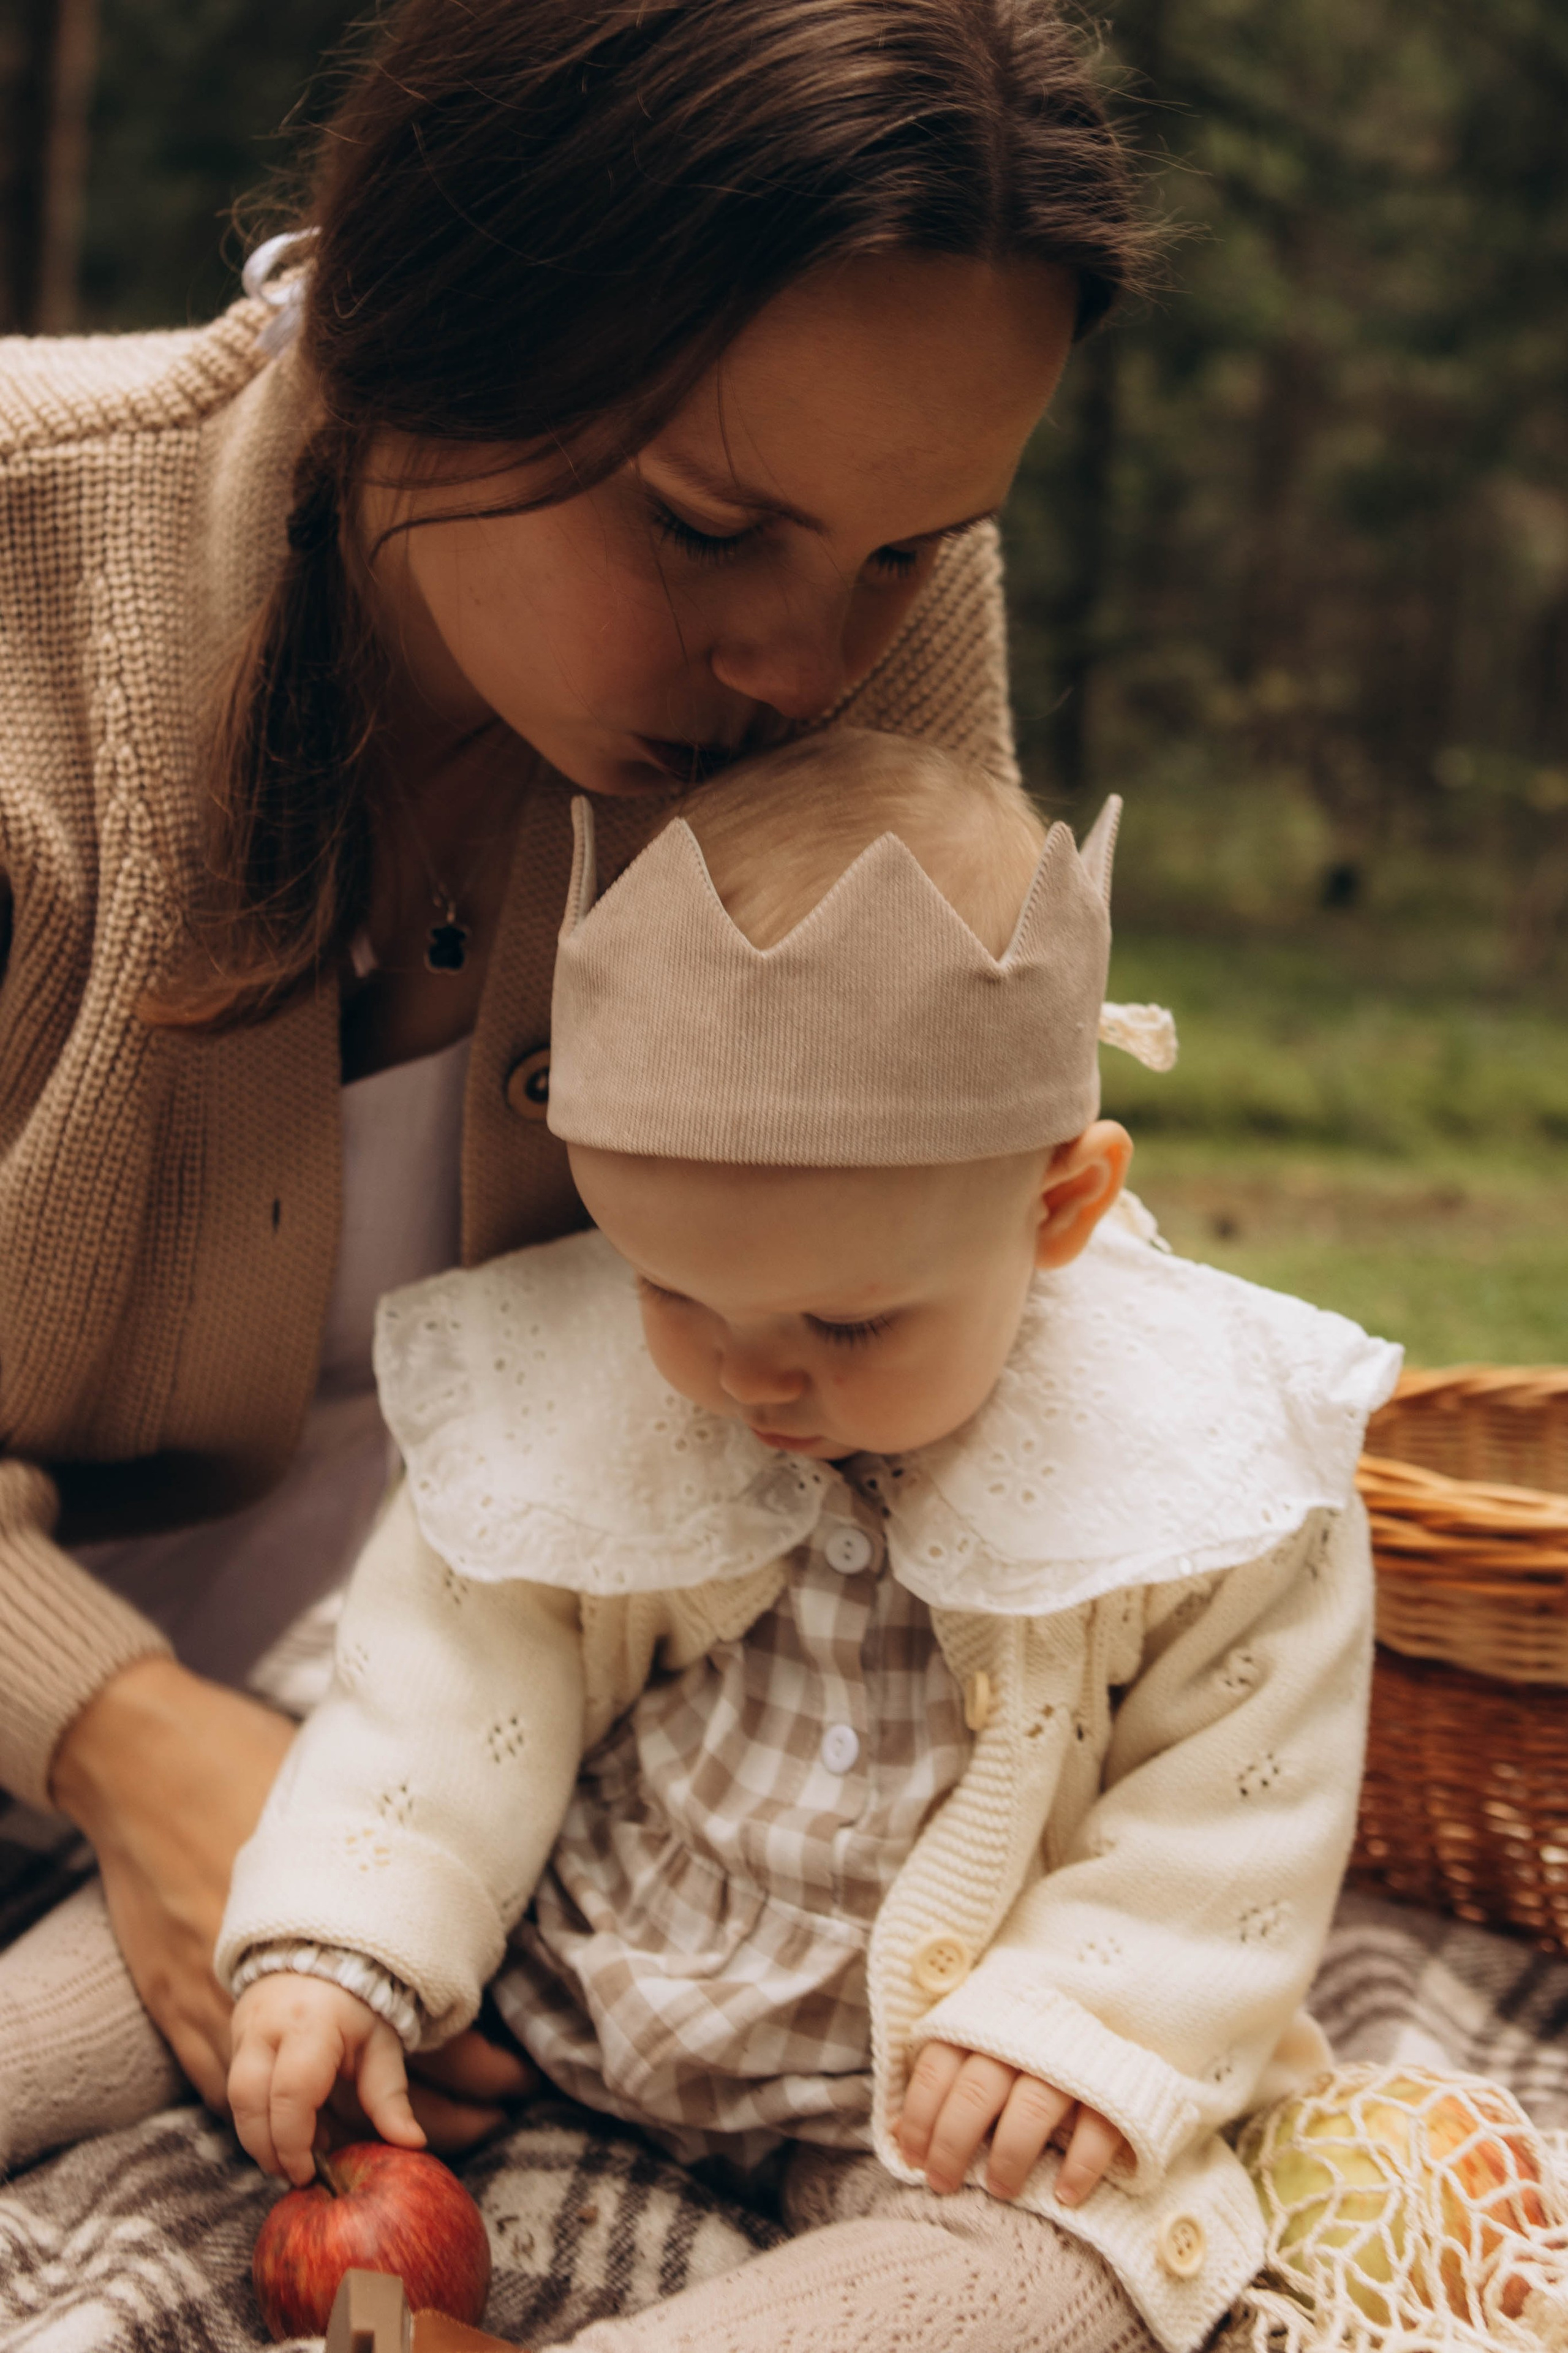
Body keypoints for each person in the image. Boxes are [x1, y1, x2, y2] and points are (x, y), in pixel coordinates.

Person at [0, 0, 1157, 2174]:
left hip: (513, 1763)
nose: (811, 668)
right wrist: (120, 1735)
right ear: (420, 317)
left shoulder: (860, 593)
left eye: (910, 550)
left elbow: (957, 1237)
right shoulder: (24, 566)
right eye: (708, 529)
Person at [217, 730, 1402, 2353]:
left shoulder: (1194, 1461)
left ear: (1057, 1206)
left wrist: (1077, 2024)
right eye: (672, 1290)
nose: (749, 1373)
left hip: (925, 2085)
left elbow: (1239, 1802)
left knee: (1061, 2278)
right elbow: (445, 1664)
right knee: (236, 1950)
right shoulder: (616, 1397)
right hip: (583, 1983)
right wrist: (354, 1937)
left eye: (844, 1319)